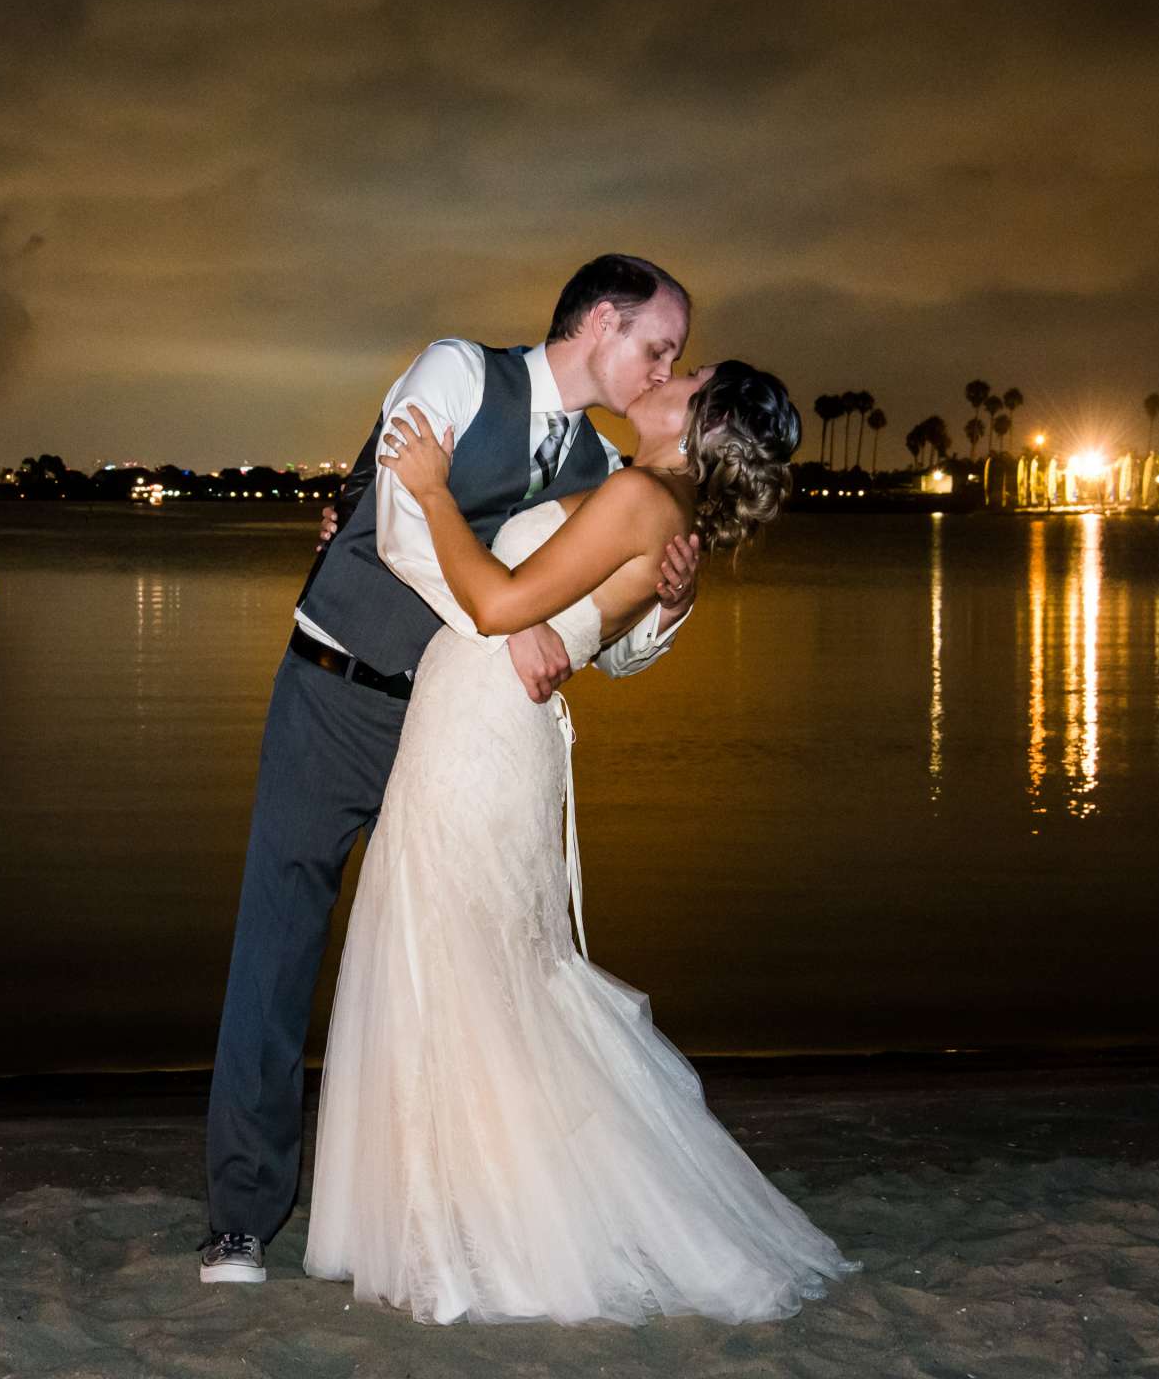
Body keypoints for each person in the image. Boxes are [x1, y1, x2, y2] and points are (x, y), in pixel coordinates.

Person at [301, 360, 859, 1324]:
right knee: (471, 970)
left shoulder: (644, 494)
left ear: (699, 418)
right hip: (485, 727)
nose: (667, 371)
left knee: (458, 968)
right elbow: (537, 601)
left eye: (688, 373)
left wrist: (428, 491)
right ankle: (462, 1217)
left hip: (480, 733)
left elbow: (499, 607)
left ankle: (489, 1237)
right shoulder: (649, 498)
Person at [201, 255, 704, 1285]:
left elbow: (606, 642)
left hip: (450, 734)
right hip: (334, 694)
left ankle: (435, 1202)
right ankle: (242, 1212)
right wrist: (500, 623)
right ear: (602, 322)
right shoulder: (458, 373)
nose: (662, 372)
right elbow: (393, 521)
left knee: (445, 968)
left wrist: (670, 606)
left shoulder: (605, 477)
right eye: (658, 347)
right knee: (278, 950)